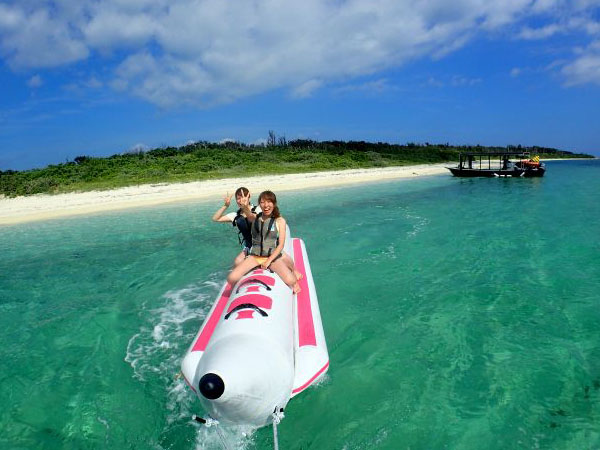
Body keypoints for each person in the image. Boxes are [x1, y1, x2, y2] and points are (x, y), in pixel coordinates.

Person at [227, 190, 301, 294]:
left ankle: (293, 273)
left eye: (269, 202)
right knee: (231, 278)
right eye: (262, 202)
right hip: (255, 257)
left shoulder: (280, 221)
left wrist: (268, 261)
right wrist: (244, 206)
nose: (266, 205)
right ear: (259, 204)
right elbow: (248, 213)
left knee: (291, 280)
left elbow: (280, 245)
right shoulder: (255, 218)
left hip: (272, 257)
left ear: (274, 203)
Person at [212, 187, 259, 266]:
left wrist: (245, 207)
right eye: (238, 198)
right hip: (249, 246)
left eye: (243, 197)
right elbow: (215, 218)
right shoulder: (235, 216)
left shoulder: (258, 209)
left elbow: (253, 219)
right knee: (237, 261)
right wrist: (225, 206)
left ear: (249, 197)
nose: (240, 201)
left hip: (263, 244)